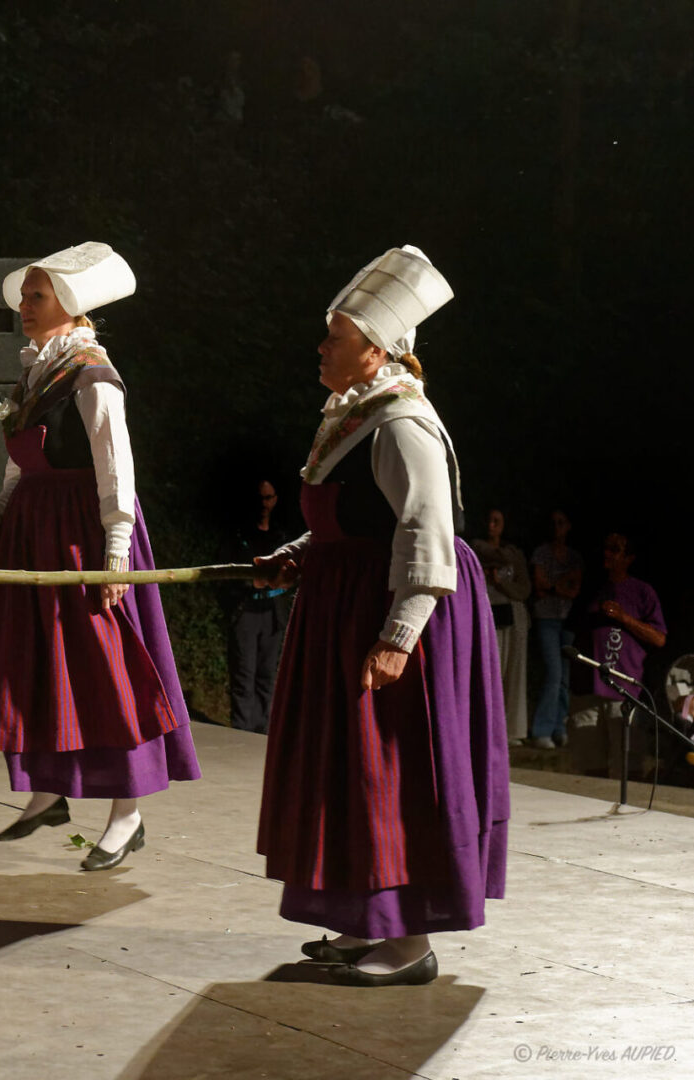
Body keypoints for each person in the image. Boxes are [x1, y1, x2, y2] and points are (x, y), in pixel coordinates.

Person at [254, 245, 508, 987]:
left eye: (334, 337)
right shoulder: (354, 416)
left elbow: (424, 532)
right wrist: (300, 551)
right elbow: (355, 518)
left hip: (395, 610)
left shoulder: (400, 421)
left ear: (375, 352)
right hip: (344, 599)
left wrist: (397, 638)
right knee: (351, 768)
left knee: (391, 768)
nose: (321, 347)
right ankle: (373, 922)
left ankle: (408, 946)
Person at [0, 242, 201, 871]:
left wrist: (115, 551)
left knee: (103, 669)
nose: (24, 304)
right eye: (26, 295)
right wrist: (0, 505)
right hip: (35, 526)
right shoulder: (37, 369)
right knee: (38, 663)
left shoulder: (91, 372)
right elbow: (23, 454)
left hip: (80, 529)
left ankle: (127, 814)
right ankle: (47, 792)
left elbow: (114, 463)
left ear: (69, 307)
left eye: (36, 296)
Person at [566, 532, 666, 778]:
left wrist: (624, 618)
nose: (608, 553)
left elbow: (659, 638)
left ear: (629, 557)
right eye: (606, 548)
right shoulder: (593, 588)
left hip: (623, 690)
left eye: (615, 549)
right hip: (587, 692)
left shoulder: (642, 592)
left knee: (628, 770)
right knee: (590, 768)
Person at [223, 479, 293, 734]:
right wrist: (255, 582)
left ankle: (262, 733)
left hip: (273, 614)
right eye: (260, 498)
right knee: (244, 674)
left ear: (275, 499)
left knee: (267, 676)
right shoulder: (240, 534)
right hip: (246, 613)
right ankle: (240, 732)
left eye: (269, 497)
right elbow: (229, 575)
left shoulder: (281, 534)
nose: (264, 504)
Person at [471, 509, 532, 744]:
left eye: (497, 521)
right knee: (489, 670)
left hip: (513, 614)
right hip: (488, 613)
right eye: (489, 520)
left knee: (512, 673)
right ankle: (486, 726)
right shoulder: (475, 549)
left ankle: (512, 730)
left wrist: (500, 582)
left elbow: (523, 588)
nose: (492, 524)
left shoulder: (514, 554)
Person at [528, 510, 583, 748]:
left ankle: (560, 727)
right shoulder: (541, 553)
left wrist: (554, 587)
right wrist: (559, 586)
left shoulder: (574, 557)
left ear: (568, 526)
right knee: (554, 673)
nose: (557, 528)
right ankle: (542, 730)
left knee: (564, 677)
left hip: (567, 620)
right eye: (554, 523)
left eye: (561, 523)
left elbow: (574, 589)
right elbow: (539, 585)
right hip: (546, 618)